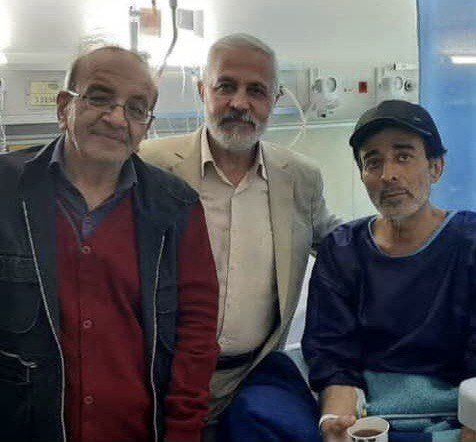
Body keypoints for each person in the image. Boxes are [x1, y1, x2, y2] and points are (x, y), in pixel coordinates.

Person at [0, 45, 219, 442]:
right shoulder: (6, 191)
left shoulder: (177, 207)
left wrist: (183, 431)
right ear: (64, 107)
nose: (117, 118)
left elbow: (196, 334)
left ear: (146, 126)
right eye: (99, 98)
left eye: (136, 108)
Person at [139, 33, 339, 437]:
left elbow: (342, 246)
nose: (240, 103)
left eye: (256, 91)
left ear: (275, 100)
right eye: (226, 86)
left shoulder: (300, 178)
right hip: (160, 379)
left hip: (252, 377)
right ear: (203, 91)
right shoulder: (149, 166)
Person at [303, 100, 476, 442]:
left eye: (403, 156)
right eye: (373, 162)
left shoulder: (468, 242)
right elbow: (332, 353)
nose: (388, 175)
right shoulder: (342, 249)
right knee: (260, 397)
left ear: (436, 167)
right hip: (369, 412)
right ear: (363, 177)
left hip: (460, 407)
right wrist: (337, 422)